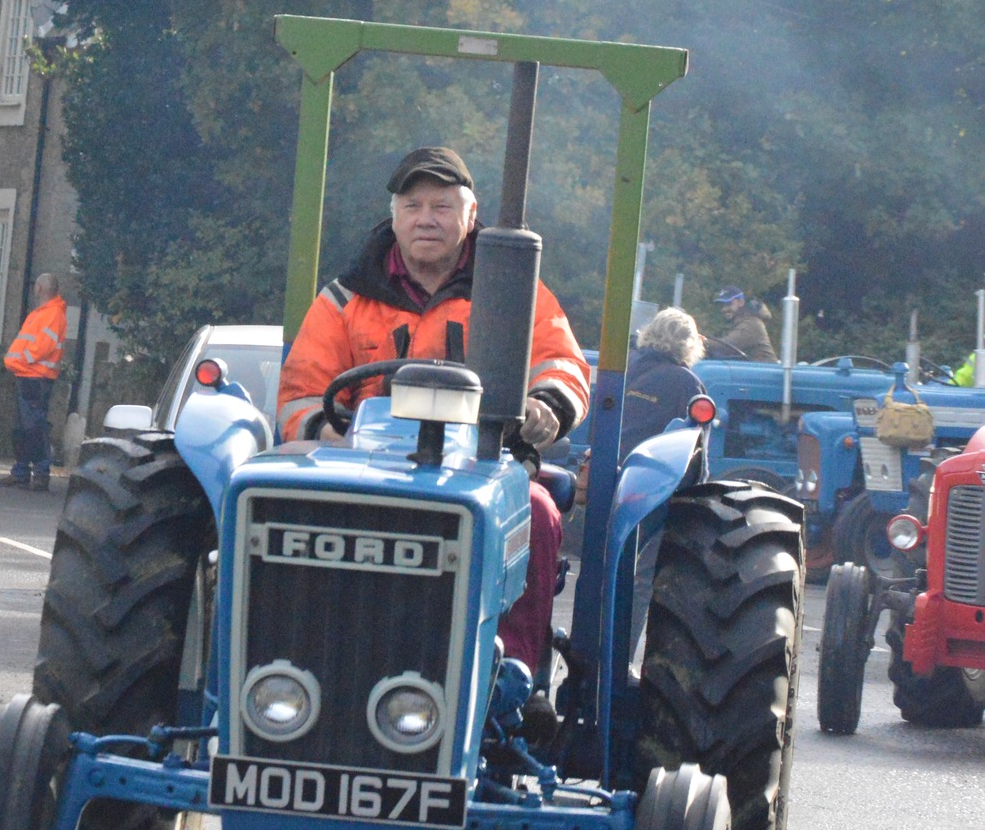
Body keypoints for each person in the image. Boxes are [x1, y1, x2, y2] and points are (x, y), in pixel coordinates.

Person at [276, 146, 591, 680]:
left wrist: (545, 405)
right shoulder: (344, 301)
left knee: (536, 512)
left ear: (470, 216)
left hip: (482, 466)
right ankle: (301, 664)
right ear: (394, 216)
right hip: (366, 470)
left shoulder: (516, 294)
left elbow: (560, 360)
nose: (426, 219)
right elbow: (302, 391)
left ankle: (511, 674)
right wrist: (326, 429)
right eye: (414, 205)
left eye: (442, 206)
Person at [0, 272, 67, 492]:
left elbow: (41, 348)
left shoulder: (52, 314)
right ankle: (22, 471)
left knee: (34, 427)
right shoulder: (42, 314)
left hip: (36, 378)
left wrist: (19, 362)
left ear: (40, 289)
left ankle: (40, 472)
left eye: (36, 286)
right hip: (28, 376)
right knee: (23, 428)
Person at [619, 308, 706, 461]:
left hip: (609, 465)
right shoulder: (687, 382)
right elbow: (697, 449)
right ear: (689, 343)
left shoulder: (624, 366)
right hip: (654, 473)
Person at [714, 287, 778, 363]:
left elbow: (727, 346)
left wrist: (701, 342)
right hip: (750, 370)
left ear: (741, 302)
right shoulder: (735, 324)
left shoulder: (752, 323)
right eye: (722, 306)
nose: (724, 309)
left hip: (764, 371)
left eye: (729, 304)